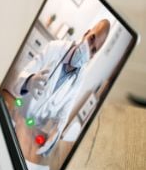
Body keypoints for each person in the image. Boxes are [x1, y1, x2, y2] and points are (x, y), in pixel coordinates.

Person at [17, 19, 110, 156]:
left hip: (33, 129)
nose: (89, 49)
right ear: (86, 33)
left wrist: (56, 132)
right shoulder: (54, 47)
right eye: (91, 39)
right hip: (18, 114)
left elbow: (64, 114)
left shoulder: (80, 77)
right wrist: (28, 81)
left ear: (93, 56)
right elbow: (19, 77)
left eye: (93, 50)